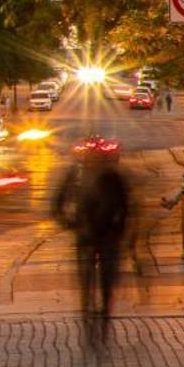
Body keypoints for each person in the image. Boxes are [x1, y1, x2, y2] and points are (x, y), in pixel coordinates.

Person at [54, 137, 131, 347]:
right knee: (87, 280)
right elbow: (58, 203)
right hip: (89, 236)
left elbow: (124, 206)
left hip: (105, 236)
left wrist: (119, 229)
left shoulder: (111, 176)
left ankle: (102, 314)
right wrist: (70, 223)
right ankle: (90, 313)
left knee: (104, 280)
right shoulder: (78, 175)